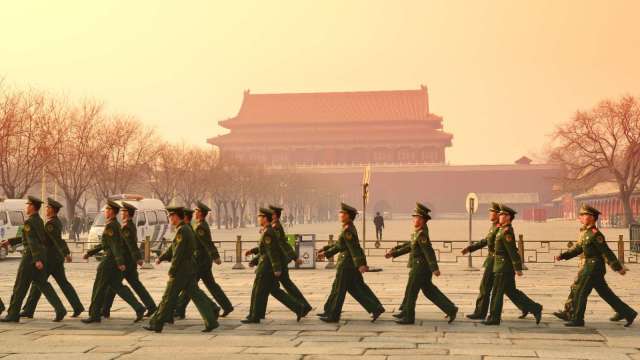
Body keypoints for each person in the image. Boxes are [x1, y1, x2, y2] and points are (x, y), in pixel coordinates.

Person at [555, 204, 637, 327]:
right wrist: (564, 255)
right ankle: (627, 313)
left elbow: (606, 252)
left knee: (581, 291)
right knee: (605, 293)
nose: (580, 217)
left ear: (592, 217)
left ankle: (577, 318)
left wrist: (617, 267)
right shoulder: (585, 232)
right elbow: (578, 248)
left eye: (584, 215)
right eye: (581, 215)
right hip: (588, 267)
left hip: (593, 268)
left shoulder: (595, 234)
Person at [145, 206, 220, 333]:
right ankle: (211, 321)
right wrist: (162, 257)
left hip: (181, 270)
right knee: (197, 295)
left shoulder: (182, 231)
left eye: (171, 216)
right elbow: (173, 248)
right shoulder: (185, 229)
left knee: (168, 297)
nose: (170, 219)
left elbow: (178, 253)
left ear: (176, 217)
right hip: (188, 269)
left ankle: (156, 323)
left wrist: (172, 270)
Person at [385, 203, 458, 324]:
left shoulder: (422, 234)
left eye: (417, 218)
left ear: (423, 220)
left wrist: (434, 268)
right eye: (414, 217)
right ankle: (450, 309)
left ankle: (409, 317)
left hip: (420, 267)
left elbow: (429, 251)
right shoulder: (418, 232)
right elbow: (410, 245)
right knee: (427, 290)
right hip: (419, 266)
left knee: (412, 291)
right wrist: (394, 252)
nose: (414, 220)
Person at [0, 196, 67, 322]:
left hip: (30, 258)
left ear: (32, 207)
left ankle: (13, 314)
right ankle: (60, 309)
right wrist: (10, 241)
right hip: (40, 257)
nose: (26, 207)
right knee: (43, 285)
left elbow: (32, 241)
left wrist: (36, 259)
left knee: (20, 286)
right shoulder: (39, 221)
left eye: (28, 205)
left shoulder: (29, 222)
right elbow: (29, 237)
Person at [317, 203, 385, 323]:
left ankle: (333, 315)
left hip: (346, 264)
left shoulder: (348, 230)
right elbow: (339, 244)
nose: (340, 214)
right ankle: (375, 308)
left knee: (339, 289)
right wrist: (325, 248)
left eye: (342, 213)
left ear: (348, 216)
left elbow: (354, 248)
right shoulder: (347, 227)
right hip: (349, 264)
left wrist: (361, 264)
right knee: (356, 287)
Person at [81, 201, 146, 323]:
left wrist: (120, 261)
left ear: (111, 211)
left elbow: (115, 246)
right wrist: (90, 252)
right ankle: (139, 307)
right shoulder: (115, 225)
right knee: (117, 287)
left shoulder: (111, 226)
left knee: (99, 287)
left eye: (107, 209)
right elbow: (107, 244)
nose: (105, 211)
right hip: (114, 261)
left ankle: (94, 314)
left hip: (109, 261)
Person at [462, 202, 528, 320]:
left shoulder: (501, 228)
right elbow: (486, 241)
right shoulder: (495, 227)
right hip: (494, 261)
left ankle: (482, 313)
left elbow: (511, 249)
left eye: (491, 212)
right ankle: (529, 307)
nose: (489, 214)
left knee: (487, 287)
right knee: (508, 290)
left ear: (498, 214)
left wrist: (516, 267)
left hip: (497, 262)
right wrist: (470, 248)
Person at [20, 198, 84, 318]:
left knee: (38, 282)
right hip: (56, 258)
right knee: (63, 283)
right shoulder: (55, 222)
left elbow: (56, 240)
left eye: (48, 208)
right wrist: (65, 253)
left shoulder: (50, 224)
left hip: (50, 258)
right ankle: (77, 306)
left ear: (52, 210)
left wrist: (66, 253)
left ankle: (30, 309)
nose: (46, 209)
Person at [242, 208, 305, 324]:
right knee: (274, 290)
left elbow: (272, 252)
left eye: (260, 216)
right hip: (268, 266)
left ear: (265, 218)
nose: (258, 219)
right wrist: (254, 256)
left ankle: (254, 316)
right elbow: (268, 250)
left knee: (258, 291)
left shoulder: (268, 232)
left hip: (266, 267)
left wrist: (277, 268)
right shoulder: (268, 231)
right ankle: (298, 307)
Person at [483, 204, 542, 326]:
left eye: (502, 215)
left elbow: (512, 251)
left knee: (497, 292)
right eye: (499, 214)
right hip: (501, 265)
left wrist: (518, 268)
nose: (499, 216)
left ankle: (494, 317)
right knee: (511, 291)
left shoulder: (506, 231)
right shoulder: (501, 229)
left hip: (503, 267)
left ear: (508, 217)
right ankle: (535, 308)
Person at [175, 201, 232, 319]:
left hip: (201, 261)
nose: (195, 213)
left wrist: (215, 256)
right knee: (210, 285)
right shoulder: (199, 225)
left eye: (196, 211)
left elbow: (207, 243)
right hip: (202, 260)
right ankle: (226, 306)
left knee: (190, 285)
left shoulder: (201, 227)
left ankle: (181, 309)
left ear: (201, 213)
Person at [102, 202, 157, 318]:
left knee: (114, 284)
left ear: (128, 214)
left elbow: (130, 244)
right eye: (121, 211)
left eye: (123, 211)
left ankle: (107, 309)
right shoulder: (129, 225)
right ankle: (151, 306)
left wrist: (137, 259)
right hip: (130, 261)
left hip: (126, 262)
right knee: (135, 285)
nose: (121, 213)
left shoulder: (126, 227)